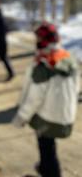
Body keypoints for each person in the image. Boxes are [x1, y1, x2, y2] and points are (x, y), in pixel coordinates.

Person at [13, 22, 80, 177]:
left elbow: (34, 99)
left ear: (42, 40)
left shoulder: (43, 65)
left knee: (46, 148)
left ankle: (51, 172)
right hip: (64, 115)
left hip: (47, 117)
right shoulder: (68, 57)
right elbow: (75, 88)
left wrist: (21, 117)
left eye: (37, 38)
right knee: (48, 146)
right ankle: (44, 168)